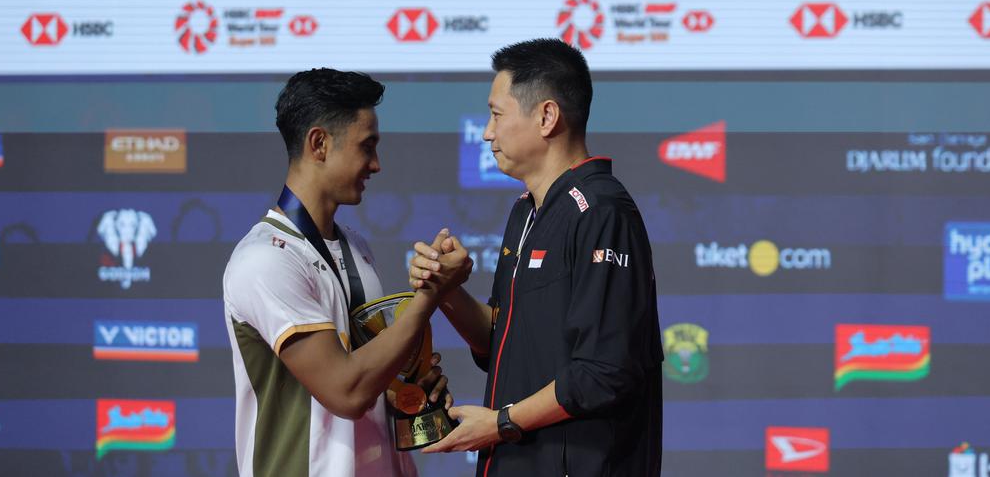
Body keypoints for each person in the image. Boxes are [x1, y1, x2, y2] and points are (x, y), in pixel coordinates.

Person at [409, 39, 663, 476]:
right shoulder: (526, 211)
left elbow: (605, 371)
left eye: (496, 114)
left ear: (546, 116)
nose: (487, 132)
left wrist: (502, 423)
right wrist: (446, 290)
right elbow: (501, 345)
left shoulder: (601, 211)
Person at [223, 68, 469, 477]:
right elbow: (346, 391)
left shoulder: (356, 246)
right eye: (366, 147)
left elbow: (366, 381)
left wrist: (405, 389)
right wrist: (429, 296)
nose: (376, 164)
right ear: (319, 143)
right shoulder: (264, 259)